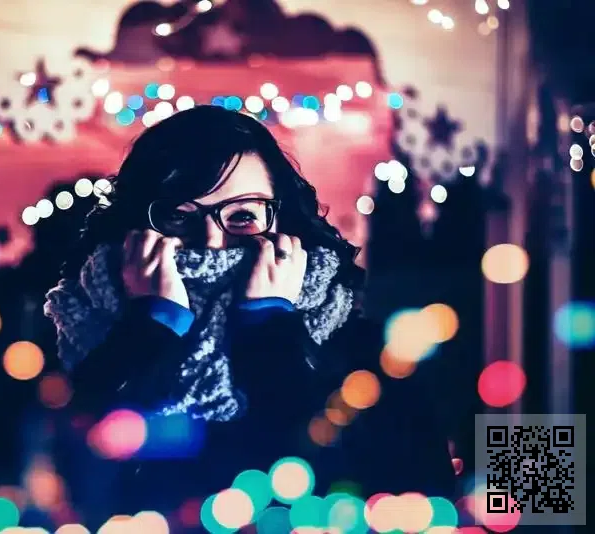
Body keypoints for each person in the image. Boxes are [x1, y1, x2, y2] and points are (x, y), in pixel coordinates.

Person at [44, 105, 456, 530]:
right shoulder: (72, 341)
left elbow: (390, 495)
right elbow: (70, 485)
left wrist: (271, 330)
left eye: (242, 216)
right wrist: (149, 330)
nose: (212, 241)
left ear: (282, 222)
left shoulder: (370, 357)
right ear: (134, 229)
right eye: (178, 217)